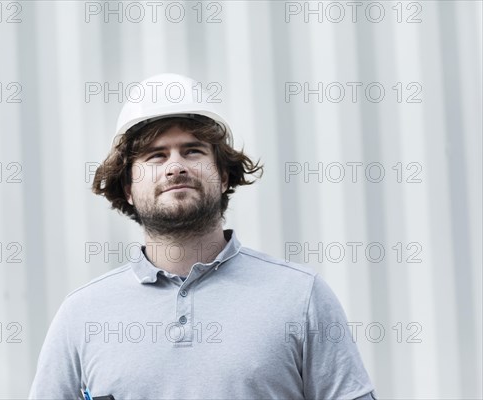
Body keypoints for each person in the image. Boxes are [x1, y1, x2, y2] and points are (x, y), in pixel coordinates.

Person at [29, 73, 377, 400]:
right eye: (156, 155)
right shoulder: (82, 314)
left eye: (193, 151)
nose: (175, 166)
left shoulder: (301, 296)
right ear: (129, 188)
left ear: (224, 176)